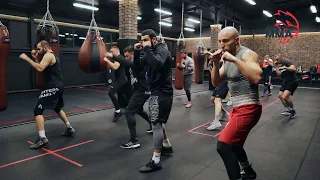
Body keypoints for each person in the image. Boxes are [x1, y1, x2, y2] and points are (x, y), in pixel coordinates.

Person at [206, 26, 263, 180]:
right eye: (219, 42)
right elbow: (216, 82)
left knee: (223, 146)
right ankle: (248, 171)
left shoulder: (247, 54)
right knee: (235, 145)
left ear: (237, 40)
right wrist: (216, 64)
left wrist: (234, 59)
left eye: (225, 41)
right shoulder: (226, 57)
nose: (221, 45)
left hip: (250, 107)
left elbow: (256, 78)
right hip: (238, 108)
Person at [19, 40, 75, 149]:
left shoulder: (48, 55)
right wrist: (35, 57)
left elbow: (39, 68)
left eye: (39, 49)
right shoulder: (51, 56)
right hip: (58, 86)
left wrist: (27, 58)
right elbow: (40, 67)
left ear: (45, 48)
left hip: (53, 86)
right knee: (57, 108)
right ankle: (69, 128)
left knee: (38, 110)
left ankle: (42, 138)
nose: (38, 51)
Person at [135, 29, 173, 173]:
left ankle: (156, 160)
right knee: (157, 121)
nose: (143, 42)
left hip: (162, 93)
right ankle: (167, 146)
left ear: (154, 40)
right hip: (156, 92)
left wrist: (146, 49)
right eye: (142, 40)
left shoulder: (162, 50)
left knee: (156, 124)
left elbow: (156, 64)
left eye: (145, 39)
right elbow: (138, 67)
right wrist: (138, 52)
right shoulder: (149, 51)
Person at [113, 45, 153, 149]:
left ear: (133, 55)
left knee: (129, 112)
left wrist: (114, 55)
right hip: (140, 90)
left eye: (127, 56)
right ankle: (153, 125)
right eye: (124, 56)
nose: (126, 58)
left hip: (143, 90)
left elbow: (126, 62)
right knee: (139, 110)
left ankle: (134, 140)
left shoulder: (137, 61)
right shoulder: (129, 65)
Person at [104, 46, 132, 122]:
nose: (111, 53)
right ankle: (128, 108)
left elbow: (115, 67)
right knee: (124, 94)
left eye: (112, 52)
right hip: (120, 80)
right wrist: (108, 59)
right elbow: (109, 67)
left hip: (122, 80)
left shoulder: (119, 59)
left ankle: (118, 111)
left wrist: (106, 60)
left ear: (116, 52)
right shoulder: (115, 59)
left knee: (111, 93)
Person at [207, 59, 229, 131]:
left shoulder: (222, 60)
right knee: (212, 99)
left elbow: (221, 71)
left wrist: (215, 62)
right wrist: (211, 65)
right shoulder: (212, 63)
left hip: (224, 81)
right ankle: (224, 113)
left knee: (217, 100)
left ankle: (216, 122)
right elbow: (213, 75)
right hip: (219, 82)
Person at [274, 54, 298, 119]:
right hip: (285, 82)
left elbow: (294, 68)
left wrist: (285, 67)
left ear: (281, 58)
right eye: (275, 60)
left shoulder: (286, 62)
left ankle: (293, 111)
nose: (276, 61)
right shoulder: (280, 65)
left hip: (292, 81)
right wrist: (276, 67)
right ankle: (289, 110)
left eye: (277, 59)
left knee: (285, 97)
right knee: (280, 96)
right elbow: (279, 74)